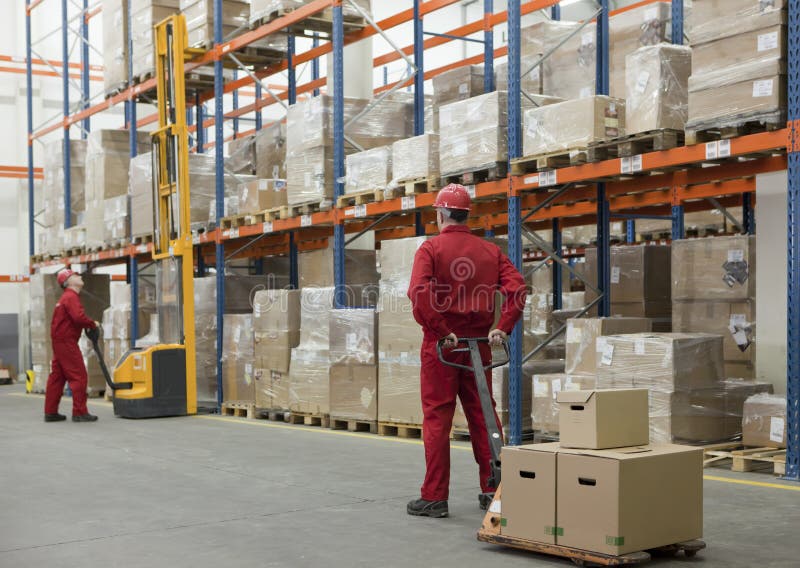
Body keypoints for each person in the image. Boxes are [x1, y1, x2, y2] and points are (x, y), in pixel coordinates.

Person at [406, 184, 527, 518]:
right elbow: (517, 288)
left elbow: (418, 292)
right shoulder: (489, 252)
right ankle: (494, 489)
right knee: (482, 415)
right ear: (466, 214)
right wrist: (503, 326)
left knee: (437, 419)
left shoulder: (430, 249)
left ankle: (434, 496)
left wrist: (442, 331)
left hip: (442, 347)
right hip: (480, 346)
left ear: (441, 213)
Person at [44, 269, 100, 423]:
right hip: (66, 341)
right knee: (79, 375)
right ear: (68, 281)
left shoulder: (65, 298)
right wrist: (92, 323)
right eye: (76, 275)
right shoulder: (71, 296)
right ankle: (80, 412)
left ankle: (50, 412)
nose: (80, 276)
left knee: (57, 376)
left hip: (59, 341)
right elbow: (78, 317)